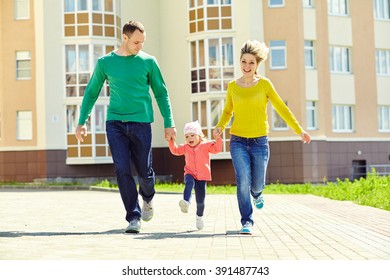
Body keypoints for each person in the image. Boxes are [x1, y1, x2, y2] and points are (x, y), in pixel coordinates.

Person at [75, 20, 176, 234]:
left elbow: (161, 92)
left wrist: (169, 123)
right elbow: (92, 91)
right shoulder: (106, 62)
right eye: (136, 42)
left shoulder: (149, 62)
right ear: (125, 38)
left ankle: (147, 198)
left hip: (141, 122)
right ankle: (133, 216)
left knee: (144, 172)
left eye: (142, 42)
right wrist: (82, 121)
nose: (140, 46)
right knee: (122, 169)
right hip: (116, 123)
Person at [213, 40, 311, 235]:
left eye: (251, 62)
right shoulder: (233, 86)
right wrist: (220, 127)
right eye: (243, 61)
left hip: (259, 142)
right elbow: (227, 111)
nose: (246, 66)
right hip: (238, 140)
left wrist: (299, 130)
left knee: (257, 184)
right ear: (239, 62)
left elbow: (281, 108)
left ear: (257, 64)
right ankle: (246, 221)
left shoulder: (265, 84)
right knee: (242, 180)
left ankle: (257, 195)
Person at [168, 120, 222, 230]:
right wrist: (171, 141)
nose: (189, 139)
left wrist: (218, 139)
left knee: (200, 201)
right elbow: (175, 150)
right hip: (190, 172)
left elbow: (217, 149)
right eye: (187, 136)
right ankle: (186, 202)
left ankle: (199, 217)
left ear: (199, 135)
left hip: (202, 177)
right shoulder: (185, 147)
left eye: (192, 135)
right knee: (189, 182)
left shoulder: (206, 145)